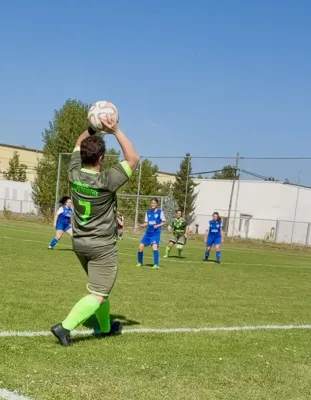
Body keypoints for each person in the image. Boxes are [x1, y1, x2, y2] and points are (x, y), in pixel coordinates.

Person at [51, 116, 139, 346]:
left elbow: (80, 142)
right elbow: (133, 159)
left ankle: (106, 328)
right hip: (101, 246)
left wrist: (93, 127)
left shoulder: (73, 173)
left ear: (81, 156)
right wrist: (116, 130)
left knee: (101, 290)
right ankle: (65, 327)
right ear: (101, 158)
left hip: (80, 243)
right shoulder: (107, 180)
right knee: (98, 293)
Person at [136, 198, 166, 269]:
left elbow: (164, 222)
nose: (153, 204)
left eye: (154, 203)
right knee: (140, 247)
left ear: (157, 204)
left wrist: (158, 225)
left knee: (154, 247)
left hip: (155, 233)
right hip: (148, 233)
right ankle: (140, 262)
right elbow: (146, 223)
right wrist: (141, 225)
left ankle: (156, 264)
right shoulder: (148, 212)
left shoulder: (160, 212)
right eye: (152, 203)